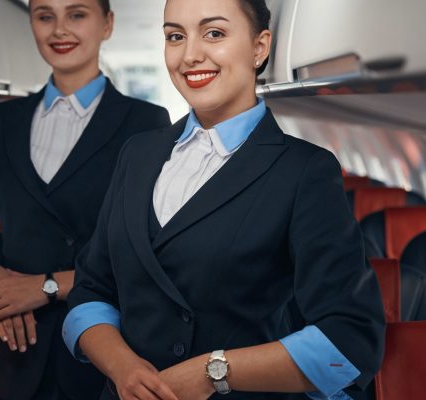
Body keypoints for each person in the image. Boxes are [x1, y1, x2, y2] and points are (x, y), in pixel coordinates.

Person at [64, 0, 385, 399]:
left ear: (259, 47)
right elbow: (91, 290)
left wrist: (211, 371)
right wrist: (123, 368)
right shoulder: (138, 153)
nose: (190, 55)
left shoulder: (305, 171)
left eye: (214, 33)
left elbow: (351, 338)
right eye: (175, 36)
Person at [0, 0, 170, 399]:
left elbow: (148, 252)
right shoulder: (3, 121)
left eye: (77, 14)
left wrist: (46, 287)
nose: (60, 29)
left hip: (104, 351)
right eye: (45, 16)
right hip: (11, 348)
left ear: (107, 24)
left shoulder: (147, 123)